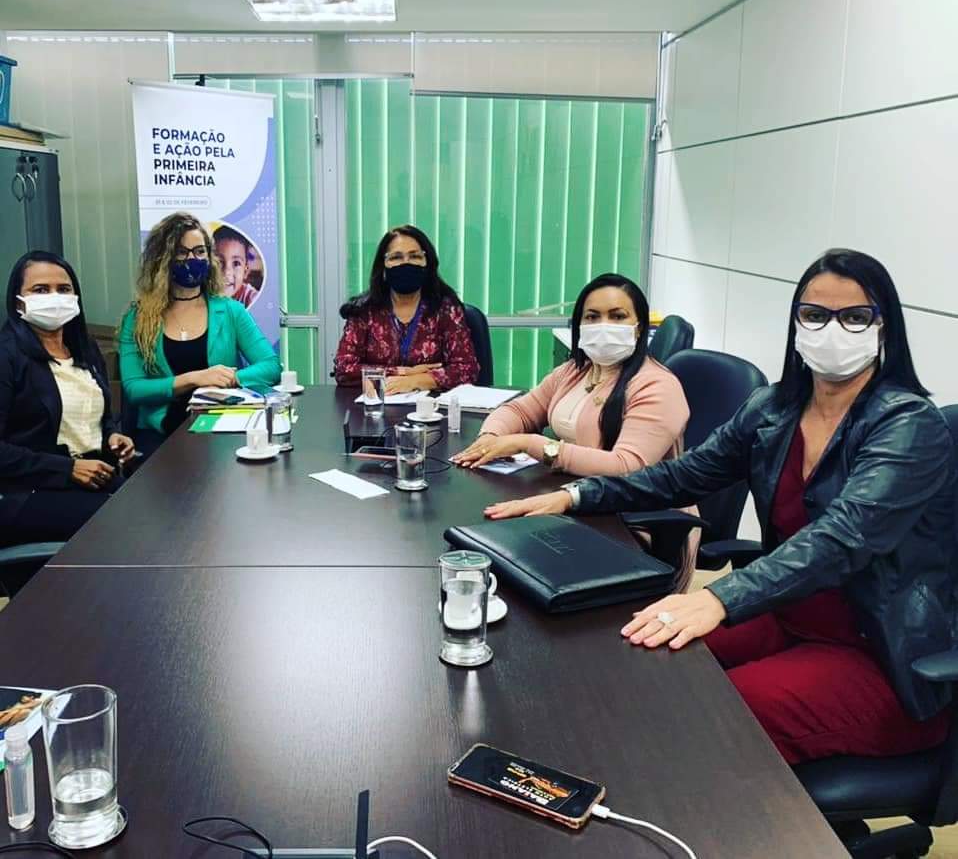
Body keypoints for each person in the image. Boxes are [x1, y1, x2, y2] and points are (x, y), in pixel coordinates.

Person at [485, 249, 955, 765]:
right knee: (636, 662)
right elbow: (682, 475)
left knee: (704, 719)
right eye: (815, 314)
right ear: (796, 321)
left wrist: (720, 598)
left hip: (877, 654)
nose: (832, 330)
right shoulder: (774, 408)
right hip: (784, 615)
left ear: (885, 328)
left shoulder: (909, 426)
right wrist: (576, 495)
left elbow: (842, 538)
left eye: (856, 317)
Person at [452, 273, 697, 586]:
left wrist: (534, 444)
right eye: (592, 317)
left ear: (639, 328)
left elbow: (627, 467)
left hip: (631, 520)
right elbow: (520, 410)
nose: (603, 325)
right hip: (571, 500)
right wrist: (491, 437)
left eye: (617, 316)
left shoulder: (657, 386)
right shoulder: (575, 371)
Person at [0, 251, 135, 546]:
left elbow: (98, 417)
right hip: (29, 491)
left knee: (156, 509)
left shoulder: (84, 348)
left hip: (94, 477)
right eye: (40, 290)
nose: (54, 297)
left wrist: (112, 436)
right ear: (18, 301)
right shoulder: (7, 355)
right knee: (127, 525)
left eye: (63, 289)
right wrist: (68, 469)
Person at [119, 212, 281, 454]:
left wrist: (231, 379)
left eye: (199, 251)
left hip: (222, 432)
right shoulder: (138, 317)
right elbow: (134, 389)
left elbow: (271, 366)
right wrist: (194, 379)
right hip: (161, 437)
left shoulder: (230, 311)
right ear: (162, 258)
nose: (192, 259)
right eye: (181, 252)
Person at [334, 225, 479, 393]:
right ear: (383, 265)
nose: (406, 263)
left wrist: (417, 381)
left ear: (427, 263)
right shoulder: (364, 310)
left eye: (415, 256)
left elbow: (467, 369)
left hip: (432, 406)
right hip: (377, 404)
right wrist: (402, 373)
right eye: (396, 257)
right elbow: (343, 369)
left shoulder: (446, 309)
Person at [213, 226, 260, 308]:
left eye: (236, 263)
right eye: (219, 262)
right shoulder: (201, 295)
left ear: (245, 272)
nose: (227, 272)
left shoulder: (252, 299)